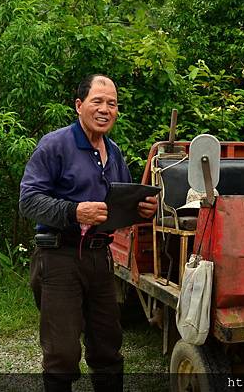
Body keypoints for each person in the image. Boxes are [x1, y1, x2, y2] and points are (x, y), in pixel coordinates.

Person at [19, 74, 157, 392]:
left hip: (100, 258)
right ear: (79, 105)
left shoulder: (115, 152)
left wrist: (141, 211)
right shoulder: (55, 145)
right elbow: (28, 201)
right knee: (62, 353)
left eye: (112, 103)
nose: (105, 109)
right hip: (59, 258)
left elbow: (118, 204)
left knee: (108, 348)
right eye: (97, 101)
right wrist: (73, 211)